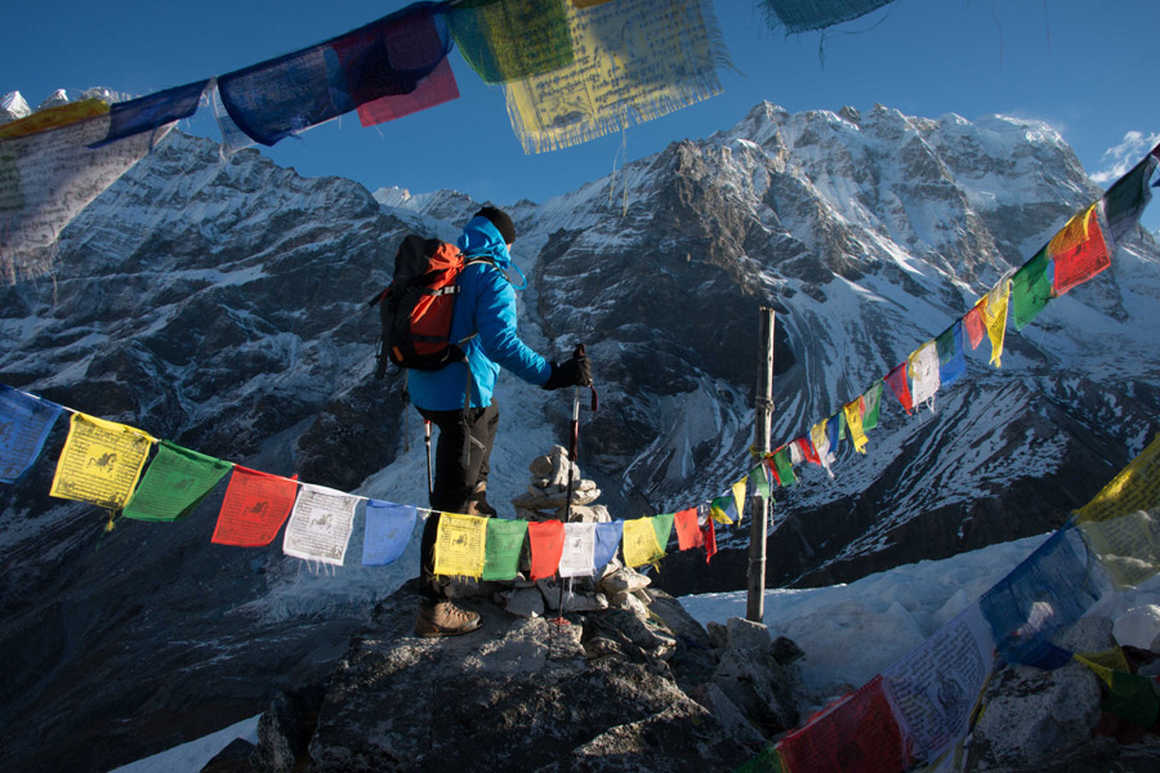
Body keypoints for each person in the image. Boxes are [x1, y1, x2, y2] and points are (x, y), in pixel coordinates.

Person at [408, 205, 592, 637]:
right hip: (462, 399)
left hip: (429, 394)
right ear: (505, 241)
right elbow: (501, 343)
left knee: (474, 474)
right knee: (452, 501)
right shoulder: (490, 278)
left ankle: (470, 561)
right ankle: (435, 606)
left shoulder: (450, 269)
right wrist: (553, 375)